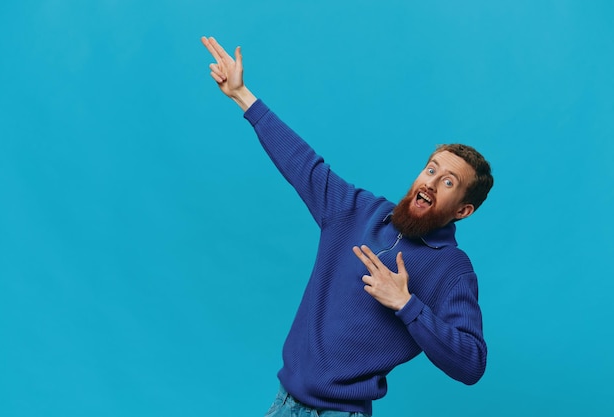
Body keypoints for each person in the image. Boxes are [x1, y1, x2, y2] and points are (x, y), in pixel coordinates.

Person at [201, 36, 494, 417]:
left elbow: (472, 363)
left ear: (463, 211)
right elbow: (303, 164)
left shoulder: (452, 270)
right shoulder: (358, 211)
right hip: (283, 404)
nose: (431, 182)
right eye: (431, 169)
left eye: (448, 182)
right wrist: (242, 96)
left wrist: (406, 304)